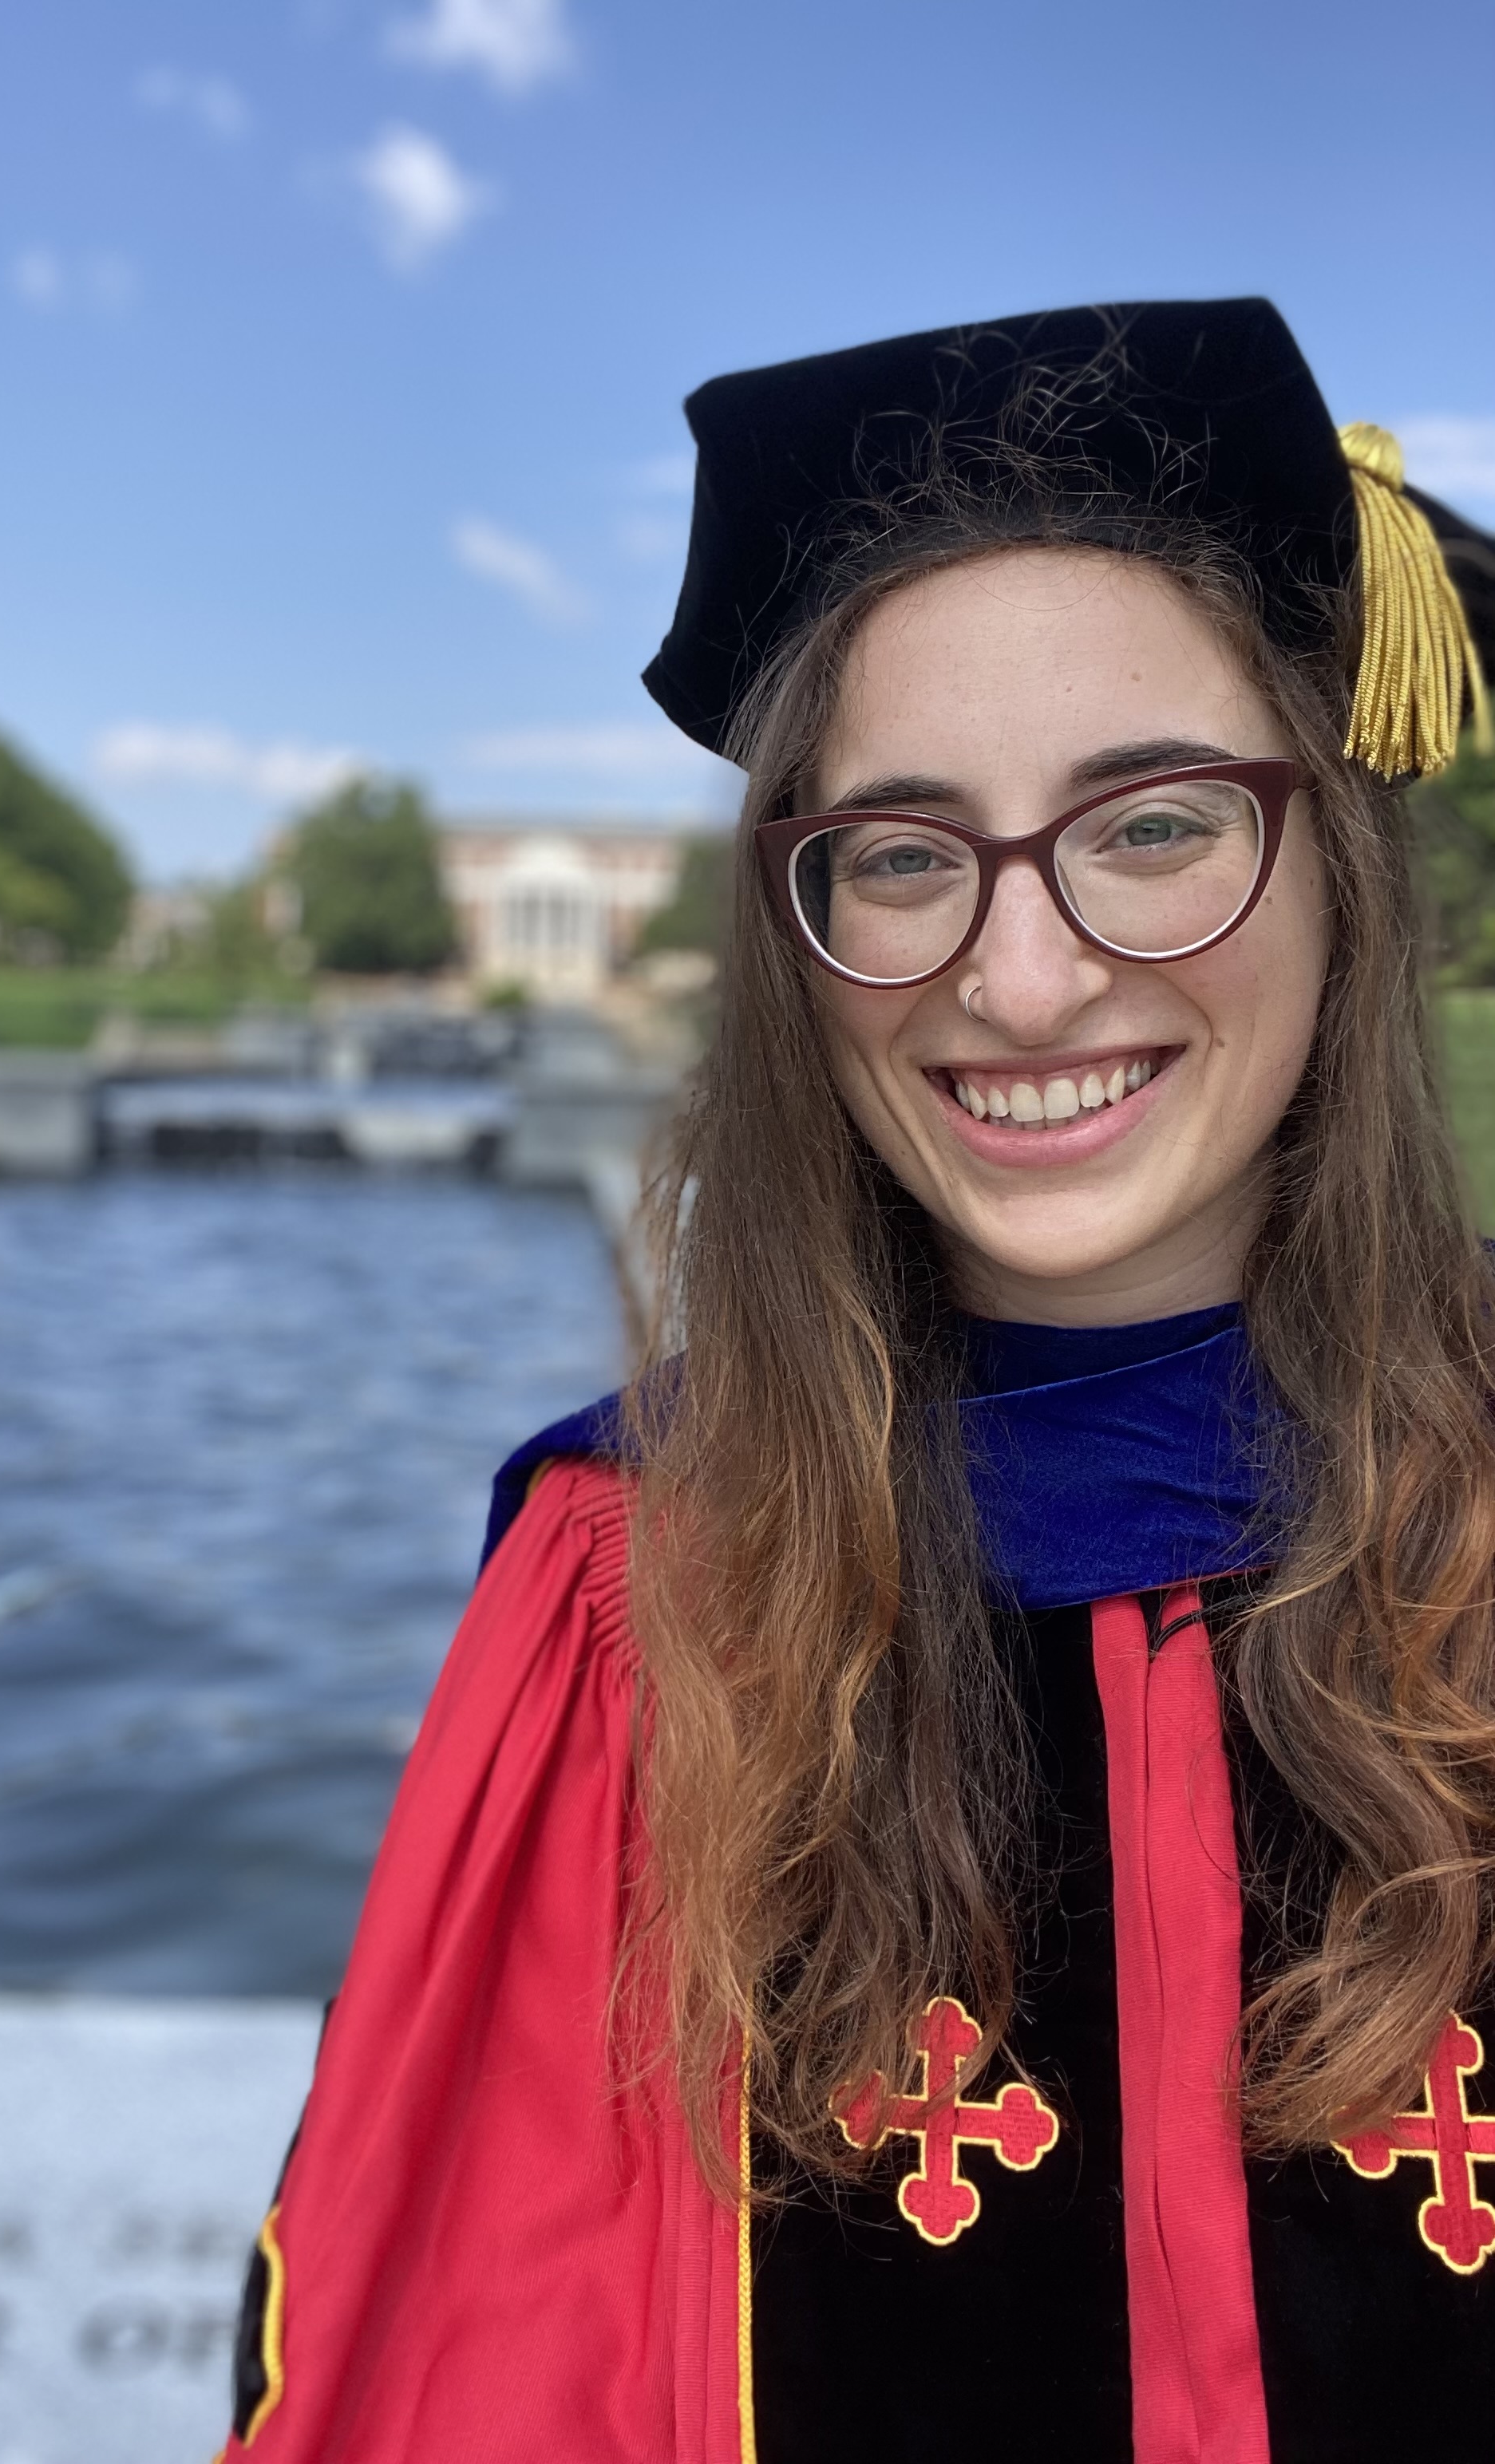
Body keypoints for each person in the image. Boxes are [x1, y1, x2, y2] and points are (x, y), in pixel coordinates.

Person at [220, 300, 1495, 2462]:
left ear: (1333, 873)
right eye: (902, 853)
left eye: (1153, 824)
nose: (1019, 974)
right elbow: (458, 2370)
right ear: (797, 933)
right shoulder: (631, 1595)